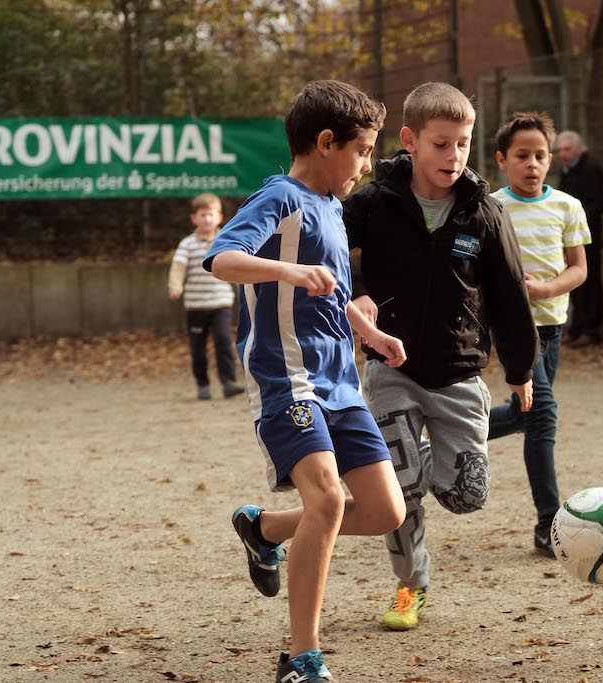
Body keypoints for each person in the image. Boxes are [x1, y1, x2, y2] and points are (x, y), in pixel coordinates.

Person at [203, 80, 408, 683]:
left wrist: (369, 335)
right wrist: (286, 267)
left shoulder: (335, 212)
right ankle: (301, 657)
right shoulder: (281, 198)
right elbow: (221, 259)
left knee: (383, 511)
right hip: (287, 380)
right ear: (326, 142)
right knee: (324, 500)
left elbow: (333, 294)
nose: (367, 165)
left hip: (342, 385)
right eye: (363, 151)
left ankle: (261, 528)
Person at [344, 82, 539, 631]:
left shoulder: (484, 211)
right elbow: (325, 247)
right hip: (391, 369)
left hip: (458, 374)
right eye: (440, 144)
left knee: (465, 495)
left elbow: (507, 295)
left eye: (463, 144)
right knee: (399, 495)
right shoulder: (374, 202)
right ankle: (411, 585)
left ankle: (418, 459)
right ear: (409, 141)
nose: (453, 156)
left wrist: (522, 369)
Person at [487, 112, 590, 556]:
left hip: (552, 326)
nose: (532, 164)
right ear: (502, 160)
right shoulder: (491, 206)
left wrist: (547, 288)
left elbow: (579, 269)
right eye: (522, 156)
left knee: (525, 413)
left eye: (540, 156)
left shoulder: (567, 206)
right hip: (514, 330)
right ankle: (548, 522)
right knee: (543, 414)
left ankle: (447, 431)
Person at [168, 193, 245, 400]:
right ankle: (203, 385)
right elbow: (178, 267)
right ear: (194, 218)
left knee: (223, 341)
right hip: (196, 305)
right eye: (202, 215)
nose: (207, 219)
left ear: (219, 217)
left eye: (210, 215)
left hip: (221, 303)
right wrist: (175, 285)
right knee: (198, 348)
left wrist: (242, 289)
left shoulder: (225, 240)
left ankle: (229, 382)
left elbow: (234, 267)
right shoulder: (187, 244)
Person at [555, 130, 603, 347]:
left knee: (590, 279)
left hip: (587, 235)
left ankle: (591, 328)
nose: (562, 154)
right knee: (574, 283)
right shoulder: (566, 172)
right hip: (569, 235)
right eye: (559, 150)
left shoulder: (590, 169)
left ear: (578, 148)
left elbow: (598, 203)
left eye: (567, 149)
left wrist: (577, 223)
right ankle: (577, 326)